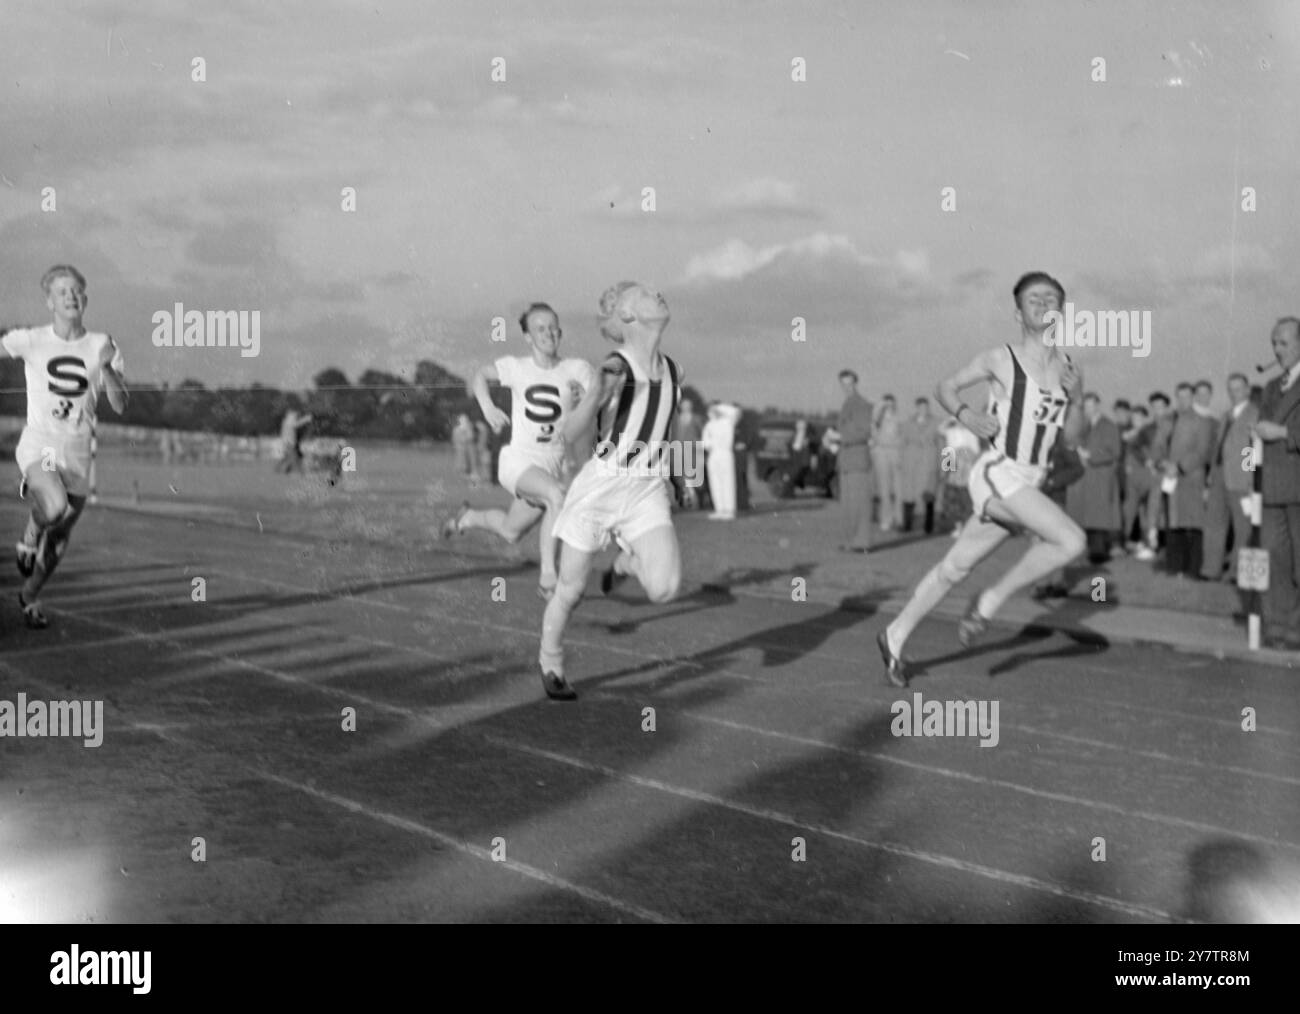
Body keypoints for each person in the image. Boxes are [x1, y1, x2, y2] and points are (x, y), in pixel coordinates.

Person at [879, 272, 1085, 687]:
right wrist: (967, 415)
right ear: (1019, 313)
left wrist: (1077, 399)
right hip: (997, 472)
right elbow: (945, 386)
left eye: (1052, 299)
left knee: (954, 568)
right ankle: (988, 602)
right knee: (1071, 540)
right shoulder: (999, 359)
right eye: (1034, 300)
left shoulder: (1069, 368)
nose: (1044, 304)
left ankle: (894, 635)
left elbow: (1073, 437)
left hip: (1029, 482)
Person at [539, 281, 684, 700]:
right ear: (627, 316)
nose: (659, 293)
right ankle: (551, 660)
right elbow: (569, 432)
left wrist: (680, 476)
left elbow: (668, 429)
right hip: (602, 484)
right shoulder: (615, 367)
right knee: (571, 589)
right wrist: (597, 394)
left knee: (665, 588)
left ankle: (624, 565)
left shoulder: (674, 371)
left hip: (646, 489)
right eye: (645, 293)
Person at [441, 303, 595, 599]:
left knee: (511, 532)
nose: (548, 333)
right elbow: (480, 376)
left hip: (551, 465)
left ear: (560, 330)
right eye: (540, 328)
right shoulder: (517, 366)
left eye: (553, 327)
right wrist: (488, 407)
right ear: (527, 336)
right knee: (556, 495)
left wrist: (584, 398)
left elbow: (599, 401)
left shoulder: (577, 369)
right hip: (518, 460)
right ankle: (549, 577)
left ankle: (466, 518)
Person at [5, 265, 129, 628]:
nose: (70, 296)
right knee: (54, 505)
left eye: (76, 290)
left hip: (77, 448)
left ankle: (28, 596)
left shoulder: (102, 344)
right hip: (41, 443)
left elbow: (120, 405)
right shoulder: (31, 339)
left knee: (59, 537)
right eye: (62, 291)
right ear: (49, 302)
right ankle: (29, 536)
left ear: (85, 299)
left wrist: (107, 369)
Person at [1254, 317, 1300, 649]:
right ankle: (1279, 624)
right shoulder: (1271, 387)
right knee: (1275, 557)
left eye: (1283, 343)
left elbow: (1277, 429)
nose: (1277, 349)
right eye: (1274, 343)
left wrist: (1283, 433)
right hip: (1271, 485)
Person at [1201, 372, 1258, 582]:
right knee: (1214, 524)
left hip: (1240, 479)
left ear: (1247, 390)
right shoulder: (1226, 415)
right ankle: (1211, 570)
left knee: (1243, 528)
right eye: (1230, 389)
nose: (1234, 393)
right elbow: (1218, 446)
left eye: (1238, 389)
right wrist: (1210, 475)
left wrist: (1250, 475)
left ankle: (1236, 572)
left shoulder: (1254, 414)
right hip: (1218, 476)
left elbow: (1251, 449)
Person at [1163, 382, 1215, 578]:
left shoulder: (1202, 421)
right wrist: (1163, 463)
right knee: (1175, 524)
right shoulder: (1171, 419)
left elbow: (1202, 452)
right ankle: (1175, 567)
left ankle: (1193, 569)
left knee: (1193, 524)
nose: (1182, 401)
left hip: (1191, 477)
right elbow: (1161, 444)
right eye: (1179, 397)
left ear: (1193, 398)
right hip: (1171, 478)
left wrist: (1179, 466)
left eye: (1187, 397)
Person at [1065, 393, 1122, 563]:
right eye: (1086, 407)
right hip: (1082, 479)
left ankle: (1099, 555)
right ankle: (1082, 553)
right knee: (1081, 517)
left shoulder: (1109, 426)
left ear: (1098, 406)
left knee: (1098, 519)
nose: (1088, 410)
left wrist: (1091, 455)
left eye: (1091, 406)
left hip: (1100, 478)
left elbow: (1114, 452)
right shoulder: (1079, 425)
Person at [836, 370, 874, 552]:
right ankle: (849, 541)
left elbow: (864, 432)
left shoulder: (862, 405)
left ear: (856, 384)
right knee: (848, 505)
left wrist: (840, 436)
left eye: (850, 384)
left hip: (858, 460)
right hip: (846, 461)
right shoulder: (847, 404)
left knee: (860, 504)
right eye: (843, 384)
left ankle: (862, 543)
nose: (846, 388)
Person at [1134, 392, 1174, 561]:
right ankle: (1152, 544)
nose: (1157, 410)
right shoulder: (1147, 429)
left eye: (1161, 406)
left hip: (1172, 472)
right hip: (1154, 474)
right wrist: (1147, 461)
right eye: (1154, 407)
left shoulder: (1174, 425)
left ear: (1167, 407)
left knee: (1170, 510)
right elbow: (1137, 447)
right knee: (1152, 510)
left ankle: (1169, 546)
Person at [900, 396, 942, 533]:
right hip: (911, 464)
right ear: (916, 408)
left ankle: (928, 526)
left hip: (929, 463)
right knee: (908, 494)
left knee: (929, 495)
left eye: (926, 407)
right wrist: (900, 462)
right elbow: (902, 443)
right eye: (921, 407)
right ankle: (907, 525)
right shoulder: (907, 423)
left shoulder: (937, 423)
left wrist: (949, 467)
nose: (923, 410)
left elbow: (945, 445)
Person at [1120, 403, 1153, 550]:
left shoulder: (1149, 434)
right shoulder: (1127, 434)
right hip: (1131, 476)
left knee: (1148, 511)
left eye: (1139, 417)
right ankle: (1130, 540)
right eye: (1134, 417)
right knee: (1130, 510)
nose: (1136, 420)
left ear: (1145, 419)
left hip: (1146, 475)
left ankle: (1148, 542)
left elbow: (1148, 455)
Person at [871, 394, 904, 530]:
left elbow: (903, 437)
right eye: (887, 404)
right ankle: (886, 518)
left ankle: (899, 518)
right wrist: (881, 406)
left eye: (891, 404)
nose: (889, 407)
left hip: (895, 453)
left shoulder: (899, 419)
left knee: (898, 489)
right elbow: (873, 430)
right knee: (884, 489)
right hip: (881, 454)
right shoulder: (877, 420)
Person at [702, 402, 739, 520]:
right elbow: (705, 442)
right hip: (713, 455)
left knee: (727, 481)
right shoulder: (709, 425)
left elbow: (735, 412)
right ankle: (719, 509)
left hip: (725, 453)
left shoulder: (728, 422)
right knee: (715, 482)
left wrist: (718, 407)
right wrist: (710, 444)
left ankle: (729, 510)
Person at [674, 398, 704, 509]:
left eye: (688, 406)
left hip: (693, 450)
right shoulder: (676, 419)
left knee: (695, 477)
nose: (686, 408)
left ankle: (698, 501)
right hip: (679, 450)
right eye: (684, 406)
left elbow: (702, 432)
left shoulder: (696, 419)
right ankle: (688, 501)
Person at [276, 403, 313, 473]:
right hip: (289, 442)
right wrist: (306, 419)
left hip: (288, 441)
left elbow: (295, 425)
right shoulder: (289, 420)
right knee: (293, 456)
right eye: (296, 415)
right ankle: (298, 471)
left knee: (289, 457)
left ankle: (280, 469)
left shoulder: (287, 420)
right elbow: (296, 425)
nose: (297, 416)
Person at [450, 411, 479, 486]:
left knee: (472, 467)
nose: (464, 421)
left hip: (470, 451)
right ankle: (464, 482)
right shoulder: (456, 429)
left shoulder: (469, 428)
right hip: (461, 451)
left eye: (465, 419)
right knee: (462, 467)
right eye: (462, 419)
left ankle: (473, 483)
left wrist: (465, 435)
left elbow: (471, 437)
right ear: (459, 420)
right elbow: (455, 440)